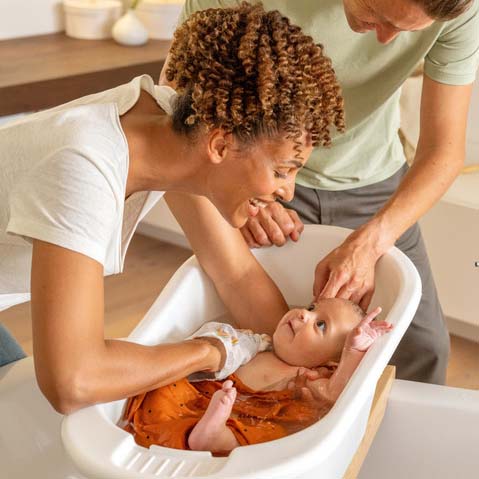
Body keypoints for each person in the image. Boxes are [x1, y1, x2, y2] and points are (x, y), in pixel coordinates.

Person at [0, 3, 345, 413]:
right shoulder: (85, 167)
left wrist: (308, 365)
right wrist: (211, 351)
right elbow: (72, 381)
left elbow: (236, 276)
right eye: (283, 170)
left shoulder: (174, 129)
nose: (288, 192)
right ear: (220, 145)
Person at [168, 0, 479, 384]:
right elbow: (177, 106)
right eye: (377, 17)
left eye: (407, 31)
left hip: (376, 184)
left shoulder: (460, 7)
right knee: (242, 326)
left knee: (425, 350)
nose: (386, 39)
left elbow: (444, 151)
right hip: (254, 167)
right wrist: (241, 182)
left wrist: (373, 240)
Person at [122, 299, 391, 453]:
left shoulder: (309, 377)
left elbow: (336, 394)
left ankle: (214, 437)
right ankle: (201, 430)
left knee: (270, 436)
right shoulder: (257, 344)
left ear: (330, 362)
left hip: (254, 417)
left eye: (320, 324)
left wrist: (353, 350)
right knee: (168, 384)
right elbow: (220, 353)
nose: (304, 314)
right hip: (205, 397)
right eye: (311, 307)